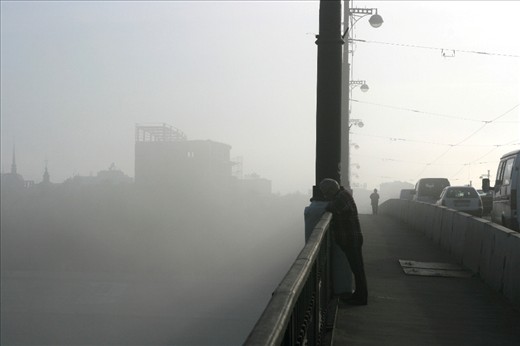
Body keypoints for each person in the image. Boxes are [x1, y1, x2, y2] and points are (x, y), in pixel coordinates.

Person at [319, 178, 368, 305]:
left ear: (331, 189)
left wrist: (327, 203)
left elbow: (332, 208)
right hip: (351, 238)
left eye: (326, 192)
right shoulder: (342, 194)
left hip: (351, 239)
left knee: (357, 270)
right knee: (357, 270)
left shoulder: (341, 197)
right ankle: (359, 295)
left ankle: (361, 298)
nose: (326, 195)